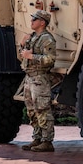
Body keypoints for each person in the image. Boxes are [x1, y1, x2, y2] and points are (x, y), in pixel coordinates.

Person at [19, 10, 57, 152]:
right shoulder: (32, 37)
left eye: (35, 19)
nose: (32, 21)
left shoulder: (47, 39)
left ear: (42, 22)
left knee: (42, 109)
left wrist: (32, 56)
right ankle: (37, 138)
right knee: (31, 110)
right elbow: (22, 57)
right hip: (29, 77)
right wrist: (22, 46)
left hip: (40, 78)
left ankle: (47, 141)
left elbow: (50, 60)